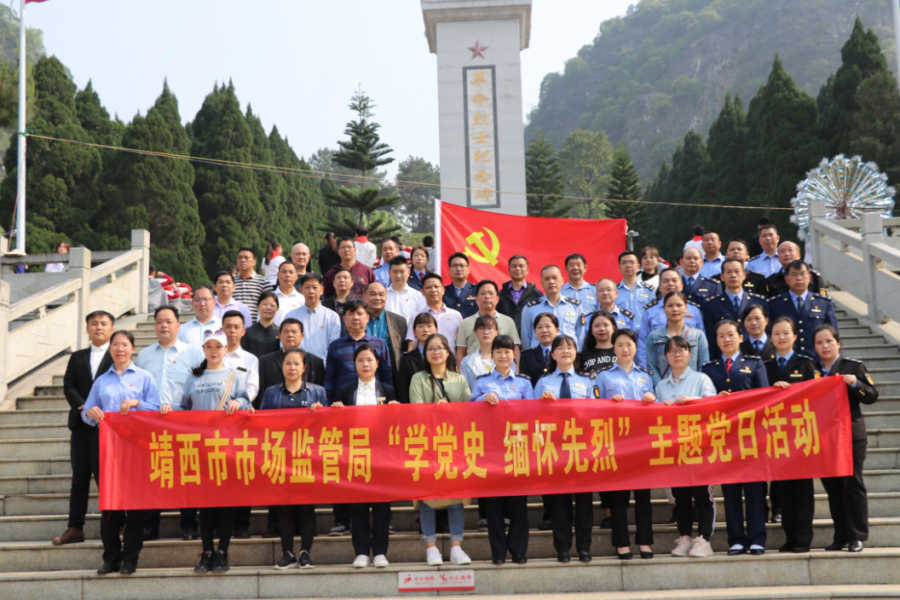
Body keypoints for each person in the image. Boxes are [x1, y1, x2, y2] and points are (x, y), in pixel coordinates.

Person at [162, 329, 250, 573]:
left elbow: (247, 402)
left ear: (225, 349)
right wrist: (170, 409)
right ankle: (206, 551)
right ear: (203, 350)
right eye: (209, 347)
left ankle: (222, 552)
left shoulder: (234, 376)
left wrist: (239, 402)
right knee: (206, 504)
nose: (214, 351)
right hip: (201, 450)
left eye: (218, 347)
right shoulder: (194, 377)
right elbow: (184, 409)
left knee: (225, 503)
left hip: (227, 450)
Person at [82, 330, 160, 576]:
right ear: (110, 349)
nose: (120, 349)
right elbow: (87, 410)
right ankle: (111, 557)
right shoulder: (101, 380)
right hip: (106, 446)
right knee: (109, 504)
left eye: (124, 344)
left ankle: (130, 558)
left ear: (133, 349)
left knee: (134, 505)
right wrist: (90, 413)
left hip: (135, 447)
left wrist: (138, 404)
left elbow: (157, 409)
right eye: (115, 344)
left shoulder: (144, 377)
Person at [136, 306, 204, 541]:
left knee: (186, 473)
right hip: (151, 423)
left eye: (169, 321)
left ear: (178, 325)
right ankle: (150, 524)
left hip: (184, 421)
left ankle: (188, 524)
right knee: (155, 473)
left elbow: (200, 386)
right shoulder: (144, 355)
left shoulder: (193, 354)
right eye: (159, 321)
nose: (163, 325)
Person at [702, 320, 769, 557]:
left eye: (731, 334)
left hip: (751, 437)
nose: (726, 339)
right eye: (721, 336)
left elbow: (764, 398)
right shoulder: (708, 369)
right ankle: (736, 539)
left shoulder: (755, 363)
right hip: (725, 439)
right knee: (730, 491)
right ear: (716, 340)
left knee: (754, 490)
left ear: (741, 337)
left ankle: (757, 537)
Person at [259, 348, 327, 569]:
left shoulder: (318, 392)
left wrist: (322, 412)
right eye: (288, 363)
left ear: (304, 368)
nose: (292, 368)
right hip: (281, 458)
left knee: (307, 507)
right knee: (285, 507)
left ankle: (306, 552)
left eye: (297, 364)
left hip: (308, 459)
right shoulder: (270, 393)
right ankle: (287, 552)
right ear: (282, 366)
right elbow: (261, 425)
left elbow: (327, 427)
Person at [409, 333, 473, 566]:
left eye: (440, 348)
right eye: (430, 349)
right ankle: (431, 547)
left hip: (454, 445)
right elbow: (416, 411)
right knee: (427, 497)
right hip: (426, 445)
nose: (435, 352)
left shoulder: (459, 379)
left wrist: (451, 410)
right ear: (425, 355)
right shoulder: (418, 378)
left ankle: (456, 547)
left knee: (455, 497)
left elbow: (469, 412)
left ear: (448, 352)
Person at [534, 335, 599, 564]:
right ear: (552, 355)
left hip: (581, 448)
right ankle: (562, 548)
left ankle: (584, 548)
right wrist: (542, 405)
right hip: (554, 449)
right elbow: (531, 418)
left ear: (575, 353)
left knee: (583, 502)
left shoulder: (588, 381)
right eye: (559, 347)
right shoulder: (543, 382)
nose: (564, 350)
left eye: (569, 347)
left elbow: (597, 414)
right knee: (559, 502)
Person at [53, 310, 115, 547]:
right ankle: (75, 527)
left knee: (107, 479)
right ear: (87, 328)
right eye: (94, 324)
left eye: (103, 324)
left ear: (111, 328)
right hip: (81, 425)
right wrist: (83, 407)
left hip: (108, 427)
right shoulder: (77, 357)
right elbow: (68, 386)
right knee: (79, 478)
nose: (99, 327)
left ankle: (115, 526)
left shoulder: (118, 355)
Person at [814, 325, 878, 552]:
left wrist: (855, 383)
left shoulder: (853, 366)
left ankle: (857, 536)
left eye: (829, 341)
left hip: (850, 435)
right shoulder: (812, 369)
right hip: (823, 438)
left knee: (852, 484)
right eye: (820, 342)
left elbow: (872, 396)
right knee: (833, 487)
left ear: (838, 342)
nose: (825, 346)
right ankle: (840, 535)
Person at [469, 335, 532, 565]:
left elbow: (532, 414)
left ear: (514, 355)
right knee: (493, 504)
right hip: (491, 449)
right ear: (492, 355)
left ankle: (518, 551)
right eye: (498, 352)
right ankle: (498, 552)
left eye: (507, 351)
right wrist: (482, 399)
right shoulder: (482, 382)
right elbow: (468, 410)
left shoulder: (525, 383)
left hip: (517, 447)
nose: (503, 356)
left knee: (518, 504)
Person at [334, 344, 398, 568]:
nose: (365, 364)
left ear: (377, 363)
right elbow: (337, 423)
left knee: (382, 506)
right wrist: (337, 408)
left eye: (369, 360)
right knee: (358, 505)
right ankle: (361, 551)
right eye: (360, 360)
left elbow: (396, 424)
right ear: (355, 364)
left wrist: (396, 409)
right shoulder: (346, 390)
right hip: (355, 454)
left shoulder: (388, 390)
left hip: (381, 456)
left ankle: (380, 551)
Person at [596, 329, 656, 560]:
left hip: (641, 444)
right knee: (618, 498)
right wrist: (608, 404)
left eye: (629, 344)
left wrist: (651, 400)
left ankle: (644, 542)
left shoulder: (646, 376)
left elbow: (655, 410)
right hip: (616, 444)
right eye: (620, 345)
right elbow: (593, 407)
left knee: (643, 498)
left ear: (635, 348)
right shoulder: (603, 377)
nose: (624, 349)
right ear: (614, 349)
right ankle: (621, 543)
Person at [655, 336, 717, 559]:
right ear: (666, 357)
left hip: (699, 447)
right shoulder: (661, 386)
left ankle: (704, 539)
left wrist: (693, 400)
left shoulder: (702, 379)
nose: (677, 354)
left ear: (690, 353)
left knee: (702, 495)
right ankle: (685, 537)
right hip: (674, 450)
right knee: (680, 496)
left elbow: (714, 407)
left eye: (681, 349)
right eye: (671, 351)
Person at [765, 316, 820, 552]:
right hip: (775, 436)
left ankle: (804, 539)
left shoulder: (807, 364)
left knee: (803, 491)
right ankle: (790, 538)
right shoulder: (764, 366)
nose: (781, 337)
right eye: (776, 333)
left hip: (800, 435)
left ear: (795, 336)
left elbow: (817, 396)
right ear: (771, 337)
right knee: (784, 491)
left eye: (786, 333)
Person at [324, 297, 394, 401]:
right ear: (344, 319)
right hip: (343, 406)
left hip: (374, 403)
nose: (355, 318)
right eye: (351, 314)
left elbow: (387, 378)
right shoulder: (335, 346)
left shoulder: (379, 344)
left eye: (360, 314)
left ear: (367, 318)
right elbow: (329, 381)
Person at [768, 260, 838, 358]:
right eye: (794, 274)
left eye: (802, 274)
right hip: (788, 361)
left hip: (816, 360)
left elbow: (834, 334)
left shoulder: (824, 303)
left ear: (809, 278)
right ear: (786, 279)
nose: (799, 278)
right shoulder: (774, 304)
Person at [637, 269, 704, 366]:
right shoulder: (649, 311)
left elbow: (701, 343)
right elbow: (643, 343)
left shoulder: (694, 310)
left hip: (690, 368)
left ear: (681, 286)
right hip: (659, 369)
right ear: (660, 287)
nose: (670, 284)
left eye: (674, 280)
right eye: (665, 281)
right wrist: (646, 370)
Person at [702, 258, 768, 357]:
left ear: (744, 276)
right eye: (729, 272)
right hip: (725, 358)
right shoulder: (712, 305)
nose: (733, 275)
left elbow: (766, 332)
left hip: (754, 356)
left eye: (737, 272)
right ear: (722, 277)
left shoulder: (758, 301)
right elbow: (711, 339)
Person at [644, 292, 709, 386]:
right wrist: (661, 388)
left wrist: (696, 387)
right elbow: (651, 367)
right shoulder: (654, 336)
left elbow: (703, 365)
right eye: (670, 305)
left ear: (686, 308)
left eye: (679, 305)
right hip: (665, 394)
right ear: (664, 308)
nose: (675, 309)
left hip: (692, 391)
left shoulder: (698, 335)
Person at [258, 319, 326, 407]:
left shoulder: (316, 362)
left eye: (294, 332)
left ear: (302, 336)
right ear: (279, 336)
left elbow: (318, 394)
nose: (290, 335)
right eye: (286, 332)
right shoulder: (265, 361)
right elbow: (261, 393)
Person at [456, 280, 522, 365]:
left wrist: (515, 371)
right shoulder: (466, 323)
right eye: (483, 293)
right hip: (473, 370)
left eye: (491, 293)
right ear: (476, 299)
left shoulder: (508, 321)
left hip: (501, 370)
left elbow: (515, 350)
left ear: (497, 299)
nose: (487, 296)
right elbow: (461, 352)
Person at [521, 265, 585, 350]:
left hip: (567, 357)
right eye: (547, 279)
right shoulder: (530, 308)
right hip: (540, 359)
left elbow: (581, 336)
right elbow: (526, 338)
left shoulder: (575, 306)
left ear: (562, 281)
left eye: (555, 278)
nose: (551, 282)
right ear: (542, 283)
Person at [286, 273, 342, 362]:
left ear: (322, 290)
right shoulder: (291, 316)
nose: (311, 291)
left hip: (324, 368)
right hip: (297, 367)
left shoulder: (332, 317)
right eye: (307, 287)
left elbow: (333, 345)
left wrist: (319, 364)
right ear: (301, 290)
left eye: (315, 287)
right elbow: (285, 343)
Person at [405, 273, 463, 352]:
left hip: (450, 362)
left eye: (436, 287)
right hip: (423, 363)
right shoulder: (416, 317)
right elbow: (412, 344)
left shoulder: (456, 315)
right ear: (422, 292)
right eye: (429, 287)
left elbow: (462, 345)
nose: (433, 290)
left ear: (443, 290)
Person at [364, 282, 408, 382]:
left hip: (390, 374)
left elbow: (403, 351)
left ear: (386, 298)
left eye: (381, 294)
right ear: (364, 297)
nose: (377, 298)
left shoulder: (399, 321)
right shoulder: (357, 320)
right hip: (362, 372)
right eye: (373, 294)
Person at [221, 310, 260, 409]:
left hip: (240, 410)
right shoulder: (211, 357)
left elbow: (252, 388)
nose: (232, 330)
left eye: (236, 327)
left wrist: (239, 402)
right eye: (228, 326)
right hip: (216, 409)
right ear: (221, 330)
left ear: (243, 332)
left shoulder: (251, 359)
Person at [396, 313, 437, 403]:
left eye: (429, 326)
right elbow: (403, 391)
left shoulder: (444, 356)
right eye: (421, 326)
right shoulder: (406, 359)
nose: (425, 330)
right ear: (414, 332)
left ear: (436, 330)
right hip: (416, 408)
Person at [497, 254, 543, 333]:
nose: (517, 269)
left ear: (527, 270)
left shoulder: (536, 294)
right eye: (514, 266)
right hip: (506, 339)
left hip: (529, 339)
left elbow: (541, 318)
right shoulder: (500, 294)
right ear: (509, 270)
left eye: (521, 266)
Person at [458, 314, 504, 390]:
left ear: (497, 332)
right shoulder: (466, 362)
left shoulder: (506, 359)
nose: (485, 332)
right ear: (475, 332)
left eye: (489, 328)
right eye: (481, 328)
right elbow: (464, 391)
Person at [518, 312, 561, 387]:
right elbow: (523, 384)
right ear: (535, 332)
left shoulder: (564, 354)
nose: (544, 330)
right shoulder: (526, 356)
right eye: (540, 327)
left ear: (557, 330)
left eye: (548, 326)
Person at [615, 251, 655, 328]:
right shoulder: (614, 291)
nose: (628, 265)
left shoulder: (648, 290)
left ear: (638, 266)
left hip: (644, 335)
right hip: (621, 335)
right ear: (619, 267)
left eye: (632, 262)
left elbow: (653, 314)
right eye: (624, 263)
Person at [385, 255, 426, 322]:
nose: (398, 275)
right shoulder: (382, 296)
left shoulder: (419, 296)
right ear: (389, 273)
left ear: (408, 273)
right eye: (395, 272)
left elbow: (421, 321)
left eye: (402, 271)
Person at [233, 247, 269, 322]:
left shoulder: (263, 282)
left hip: (255, 327)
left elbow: (269, 305)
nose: (242, 260)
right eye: (240, 258)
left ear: (254, 262)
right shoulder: (230, 282)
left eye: (246, 258)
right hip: (234, 327)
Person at [242, 291, 281, 359]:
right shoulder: (248, 332)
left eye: (272, 305)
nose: (268, 308)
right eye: (265, 304)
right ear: (258, 306)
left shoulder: (280, 332)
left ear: (277, 309)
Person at [579, 310, 617, 374]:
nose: (602, 329)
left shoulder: (621, 352)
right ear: (591, 330)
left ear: (613, 328)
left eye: (606, 325)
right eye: (597, 326)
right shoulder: (584, 355)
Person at [443, 252, 479, 318]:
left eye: (462, 266)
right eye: (455, 266)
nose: (459, 269)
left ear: (468, 270)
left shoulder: (477, 290)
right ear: (449, 270)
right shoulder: (443, 292)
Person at [272, 262, 304, 326]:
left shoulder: (302, 299)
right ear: (278, 275)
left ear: (296, 276)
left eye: (291, 272)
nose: (287, 275)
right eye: (284, 272)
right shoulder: (270, 298)